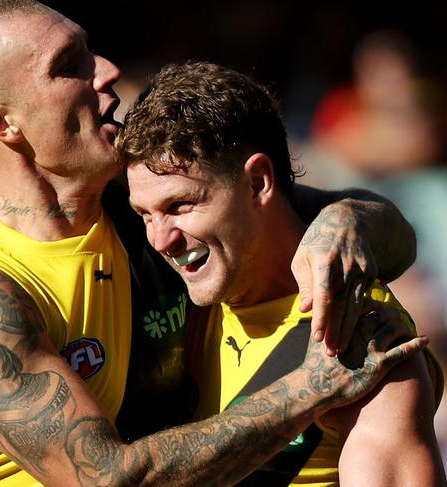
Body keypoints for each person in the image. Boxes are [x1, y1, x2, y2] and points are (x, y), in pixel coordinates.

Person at [0, 1, 424, 485]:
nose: (107, 71)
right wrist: (312, 388)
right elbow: (108, 480)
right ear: (1, 122)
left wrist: (346, 220)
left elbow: (311, 214)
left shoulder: (136, 205)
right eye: (68, 65)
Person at [117, 60, 445, 485]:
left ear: (257, 182)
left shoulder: (361, 339)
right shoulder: (190, 302)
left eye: (180, 206)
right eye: (144, 214)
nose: (160, 241)